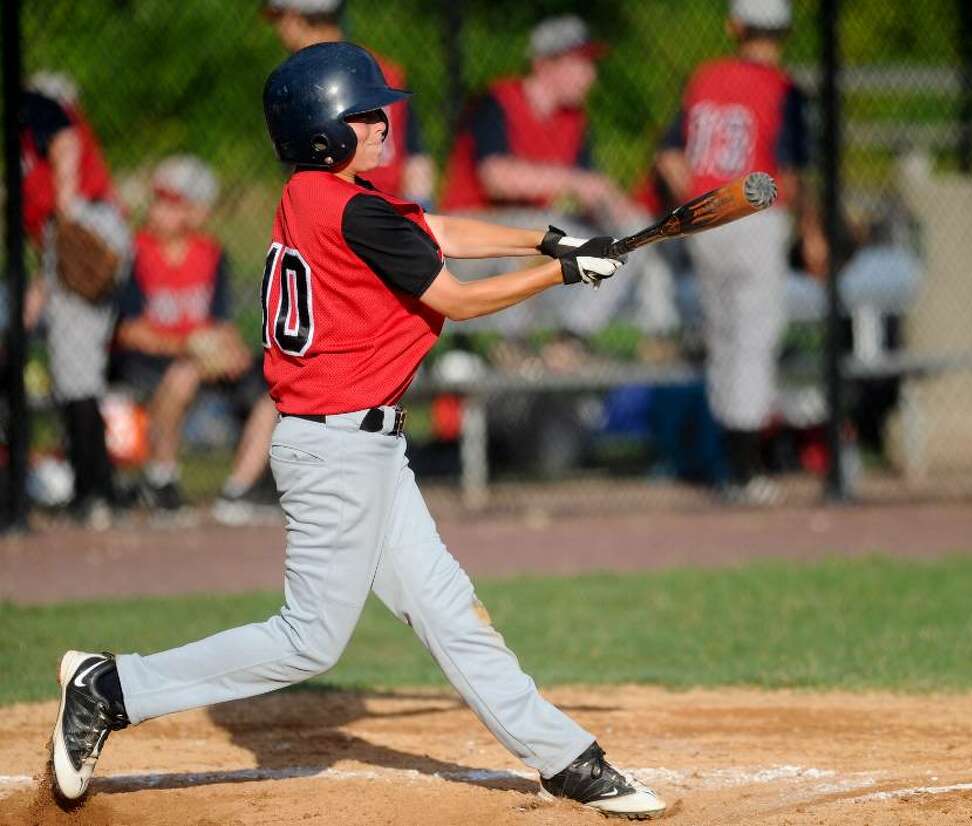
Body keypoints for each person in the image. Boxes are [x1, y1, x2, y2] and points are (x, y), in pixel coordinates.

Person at [49, 43, 666, 821]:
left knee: (445, 607)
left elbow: (431, 228)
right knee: (308, 639)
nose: (381, 125)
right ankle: (110, 688)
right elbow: (457, 299)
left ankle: (566, 759)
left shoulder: (317, 196)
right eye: (365, 115)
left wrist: (547, 239)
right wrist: (563, 273)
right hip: (333, 450)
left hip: (366, 446)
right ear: (323, 131)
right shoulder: (352, 209)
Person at [656, 0, 826, 503]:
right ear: (784, 31)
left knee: (724, 337)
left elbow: (669, 156)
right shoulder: (783, 87)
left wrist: (696, 199)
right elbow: (791, 174)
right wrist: (811, 231)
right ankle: (745, 470)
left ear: (736, 28)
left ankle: (728, 464)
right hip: (756, 217)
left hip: (708, 218)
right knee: (753, 339)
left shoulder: (706, 77)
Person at [440, 14, 677, 343]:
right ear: (544, 65)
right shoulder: (498, 100)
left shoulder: (573, 119)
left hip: (530, 232)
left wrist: (620, 211)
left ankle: (592, 335)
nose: (590, 75)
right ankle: (516, 345)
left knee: (631, 234)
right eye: (579, 63)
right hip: (468, 236)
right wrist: (576, 183)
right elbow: (496, 177)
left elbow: (587, 192)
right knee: (545, 230)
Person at [113, 156, 278, 524]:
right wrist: (188, 346)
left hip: (204, 359)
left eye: (172, 203)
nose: (159, 211)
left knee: (276, 389)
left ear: (194, 211)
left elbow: (221, 324)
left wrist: (230, 351)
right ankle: (162, 482)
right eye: (159, 201)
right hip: (152, 361)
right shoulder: (136, 252)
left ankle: (239, 491)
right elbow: (129, 331)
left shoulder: (210, 253)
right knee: (183, 375)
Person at [19, 78, 131, 528]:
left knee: (76, 372)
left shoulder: (35, 103)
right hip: (81, 225)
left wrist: (66, 214)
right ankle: (94, 489)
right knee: (74, 369)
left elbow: (64, 136)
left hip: (81, 221)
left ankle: (95, 492)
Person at [262, 0, 434, 206]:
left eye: (278, 18)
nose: (278, 29)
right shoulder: (381, 69)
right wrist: (418, 213)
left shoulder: (299, 83)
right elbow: (416, 160)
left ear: (294, 19)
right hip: (392, 205)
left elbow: (299, 171)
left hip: (337, 206)